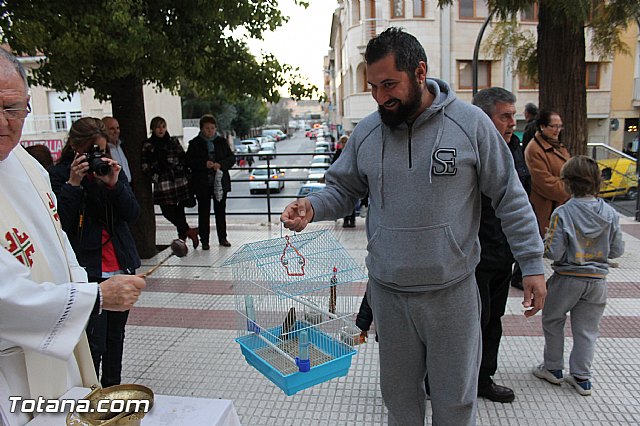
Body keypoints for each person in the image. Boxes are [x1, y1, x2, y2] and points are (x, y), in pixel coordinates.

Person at [280, 27, 547, 426]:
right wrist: (312, 208)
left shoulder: (470, 125)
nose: (380, 97)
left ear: (419, 72)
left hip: (452, 294)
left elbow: (509, 196)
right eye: (373, 86)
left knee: (455, 404)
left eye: (389, 84)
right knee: (400, 404)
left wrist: (533, 265)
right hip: (390, 297)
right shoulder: (368, 132)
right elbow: (342, 189)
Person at [0, 47, 144, 426]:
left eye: (12, 108)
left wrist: (86, 287)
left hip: (60, 327)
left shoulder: (25, 164)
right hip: (9, 362)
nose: (3, 122)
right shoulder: (58, 170)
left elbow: (56, 237)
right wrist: (93, 297)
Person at [48, 117, 141, 388]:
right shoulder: (59, 176)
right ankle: (91, 396)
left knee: (116, 338)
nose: (96, 158)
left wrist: (114, 184)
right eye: (90, 152)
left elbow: (132, 213)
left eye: (100, 150)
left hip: (120, 265)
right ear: (74, 147)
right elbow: (60, 225)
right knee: (93, 342)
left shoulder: (110, 170)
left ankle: (113, 393)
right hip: (87, 271)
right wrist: (73, 184)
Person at [533, 155, 624, 396]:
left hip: (567, 278)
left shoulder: (562, 213)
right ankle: (582, 376)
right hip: (597, 282)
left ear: (567, 183)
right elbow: (617, 250)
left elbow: (554, 251)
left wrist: (545, 240)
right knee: (587, 329)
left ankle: (553, 368)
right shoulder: (611, 213)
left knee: (553, 321)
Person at [471, 87, 531, 403]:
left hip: (502, 254)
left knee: (493, 321)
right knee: (470, 324)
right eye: (505, 116)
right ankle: (443, 379)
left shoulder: (515, 147)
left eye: (514, 115)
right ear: (483, 118)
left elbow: (522, 202)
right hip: (472, 257)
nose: (512, 123)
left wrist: (527, 257)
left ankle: (483, 378)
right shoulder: (470, 149)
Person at [141, 116, 199, 248]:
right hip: (162, 181)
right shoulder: (148, 145)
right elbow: (145, 164)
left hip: (178, 179)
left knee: (180, 210)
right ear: (153, 129)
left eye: (163, 126)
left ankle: (182, 239)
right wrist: (154, 175)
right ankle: (189, 231)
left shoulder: (173, 141)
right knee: (167, 211)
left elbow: (182, 157)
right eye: (158, 127)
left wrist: (180, 169)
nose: (161, 129)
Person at [185, 115, 235, 249]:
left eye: (212, 128)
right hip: (202, 182)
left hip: (219, 182)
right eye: (207, 128)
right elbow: (189, 161)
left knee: (220, 211)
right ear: (201, 129)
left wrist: (220, 164)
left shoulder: (221, 142)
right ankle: (205, 240)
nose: (210, 131)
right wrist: (203, 164)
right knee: (203, 212)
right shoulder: (194, 143)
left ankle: (222, 237)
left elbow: (231, 159)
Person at [524, 109, 571, 237]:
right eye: (553, 126)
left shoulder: (558, 146)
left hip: (561, 208)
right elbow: (545, 183)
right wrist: (574, 187)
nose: (557, 130)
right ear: (542, 126)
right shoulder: (535, 149)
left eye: (560, 126)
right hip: (547, 210)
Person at [332, 135, 356, 227]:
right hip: (342, 180)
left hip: (350, 179)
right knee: (344, 201)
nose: (344, 144)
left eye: (345, 142)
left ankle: (352, 220)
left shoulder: (351, 153)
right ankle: (346, 220)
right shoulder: (338, 153)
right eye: (342, 142)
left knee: (351, 200)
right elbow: (333, 165)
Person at [102, 116, 132, 184]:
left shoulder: (122, 146)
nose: (116, 131)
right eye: (111, 129)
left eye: (117, 128)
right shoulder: (104, 150)